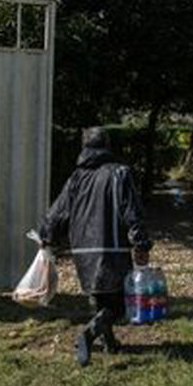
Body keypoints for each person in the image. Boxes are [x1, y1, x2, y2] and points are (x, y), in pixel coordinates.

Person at [39, 127, 151, 366]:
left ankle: (109, 343)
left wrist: (46, 236)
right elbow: (131, 211)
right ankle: (87, 335)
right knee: (119, 305)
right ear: (107, 145)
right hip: (111, 249)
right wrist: (140, 242)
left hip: (81, 250)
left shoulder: (76, 178)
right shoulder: (120, 173)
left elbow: (58, 211)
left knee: (101, 300)